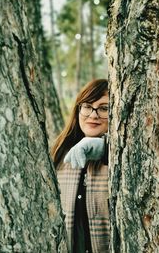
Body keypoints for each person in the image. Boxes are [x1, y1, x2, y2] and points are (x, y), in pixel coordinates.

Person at [51, 79, 109, 253]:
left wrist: (108, 148)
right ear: (78, 110)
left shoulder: (125, 157)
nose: (93, 115)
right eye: (87, 106)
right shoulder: (59, 155)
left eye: (104, 108)